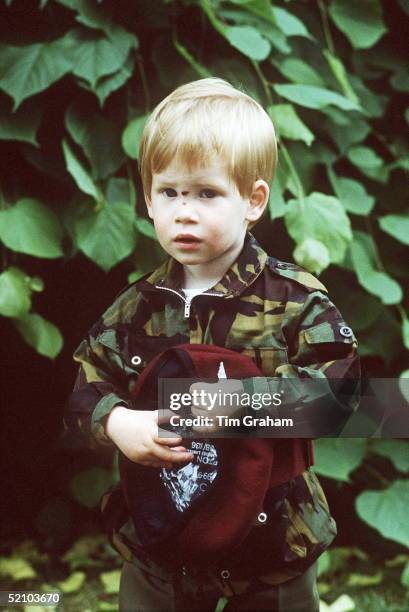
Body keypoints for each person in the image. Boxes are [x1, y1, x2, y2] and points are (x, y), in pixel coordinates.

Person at [64, 78, 360, 611]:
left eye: (206, 193)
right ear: (149, 200)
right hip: (161, 537)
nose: (184, 211)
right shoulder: (138, 306)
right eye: (169, 192)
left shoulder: (294, 300)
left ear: (253, 200)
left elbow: (340, 396)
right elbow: (86, 383)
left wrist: (238, 406)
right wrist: (117, 422)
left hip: (273, 541)